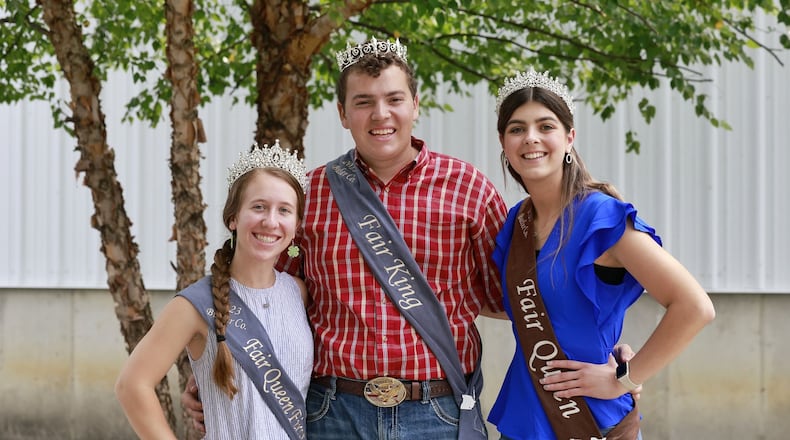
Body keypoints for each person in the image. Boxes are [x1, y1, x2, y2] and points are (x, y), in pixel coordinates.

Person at [488, 69, 716, 440]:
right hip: (525, 417)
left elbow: (695, 307)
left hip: (591, 419)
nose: (531, 138)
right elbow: (515, 305)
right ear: (504, 141)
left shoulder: (600, 216)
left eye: (545, 126)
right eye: (517, 129)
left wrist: (624, 378)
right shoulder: (519, 222)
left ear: (569, 137)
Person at [115, 140, 313, 439]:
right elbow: (132, 385)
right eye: (258, 206)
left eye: (284, 210)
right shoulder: (195, 304)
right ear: (233, 217)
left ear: (296, 225)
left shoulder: (298, 293)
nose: (270, 221)